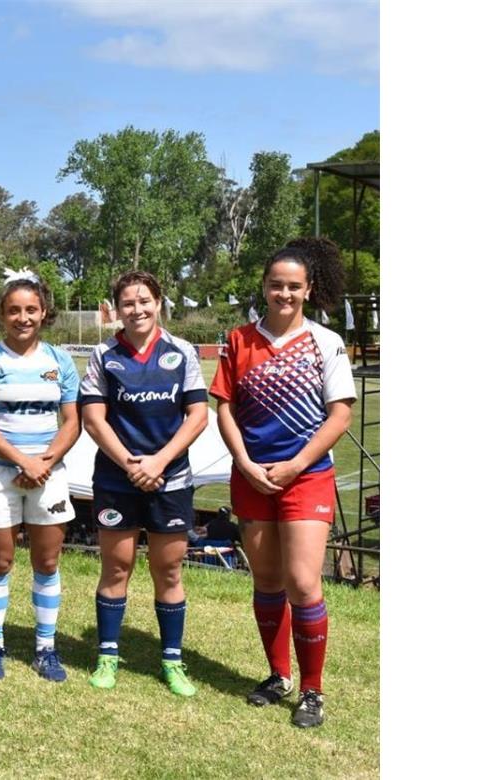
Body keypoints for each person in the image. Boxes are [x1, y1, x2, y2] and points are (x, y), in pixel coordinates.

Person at [210, 236, 355, 729]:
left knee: (303, 581)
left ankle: (313, 691)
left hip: (306, 476)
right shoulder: (238, 339)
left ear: (308, 290)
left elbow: (339, 417)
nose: (284, 294)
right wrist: (246, 462)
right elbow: (223, 406)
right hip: (251, 476)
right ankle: (278, 675)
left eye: (294, 286)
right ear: (265, 287)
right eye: (276, 285)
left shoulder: (325, 342)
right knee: (268, 580)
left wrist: (295, 465)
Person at [79, 270, 208, 697]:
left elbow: (198, 416)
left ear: (159, 302)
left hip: (170, 481)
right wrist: (132, 464)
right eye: (128, 303)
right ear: (117, 309)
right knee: (116, 568)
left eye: (144, 301)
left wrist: (158, 462)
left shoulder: (182, 351)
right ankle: (108, 656)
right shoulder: (103, 354)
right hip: (118, 481)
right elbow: (93, 419)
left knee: (167, 570)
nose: (137, 309)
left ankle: (172, 661)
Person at [0, 270, 81, 682]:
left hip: (49, 474)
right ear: (2, 314)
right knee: (0, 560)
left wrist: (44, 462)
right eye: (14, 310)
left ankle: (45, 648)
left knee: (47, 562)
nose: (23, 317)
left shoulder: (60, 361)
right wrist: (22, 462)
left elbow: (72, 421)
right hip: (0, 475)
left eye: (31, 309)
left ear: (43, 312)